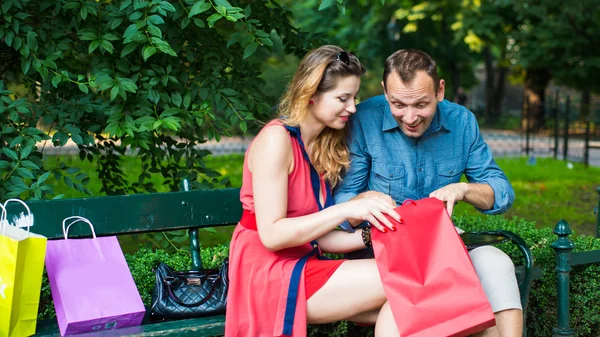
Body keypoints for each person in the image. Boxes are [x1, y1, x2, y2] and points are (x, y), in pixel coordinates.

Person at [333, 49, 521, 337]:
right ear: (385, 92)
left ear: (440, 90)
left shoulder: (461, 122)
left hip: (444, 253)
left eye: (421, 104)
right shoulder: (364, 120)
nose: (410, 117)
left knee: (497, 263)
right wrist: (364, 203)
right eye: (398, 104)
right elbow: (341, 205)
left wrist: (464, 189)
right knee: (456, 304)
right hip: (383, 254)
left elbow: (502, 193)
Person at [224, 45, 403, 337]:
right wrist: (347, 208)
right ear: (310, 96)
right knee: (401, 280)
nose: (353, 108)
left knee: (409, 301)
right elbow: (272, 235)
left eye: (354, 97)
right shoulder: (276, 141)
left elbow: (320, 237)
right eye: (343, 98)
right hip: (269, 273)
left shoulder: (319, 146)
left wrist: (377, 231)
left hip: (301, 263)